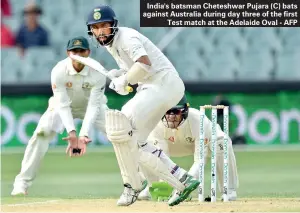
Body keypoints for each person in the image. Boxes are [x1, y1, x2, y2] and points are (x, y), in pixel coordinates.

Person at [85, 5, 199, 206]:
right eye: (95, 27)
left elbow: (145, 64)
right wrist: (121, 76)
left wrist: (125, 80)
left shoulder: (127, 37)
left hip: (163, 84)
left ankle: (133, 185)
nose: (100, 31)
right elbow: (134, 71)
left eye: (104, 25)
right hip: (153, 86)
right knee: (135, 141)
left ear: (113, 25)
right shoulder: (111, 45)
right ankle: (182, 178)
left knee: (119, 125)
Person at [11, 36, 108, 195]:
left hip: (91, 107)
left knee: (119, 133)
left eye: (81, 51)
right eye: (74, 51)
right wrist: (72, 133)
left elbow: (93, 106)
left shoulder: (97, 71)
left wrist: (83, 134)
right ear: (68, 53)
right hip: (62, 106)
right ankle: (21, 183)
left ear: (88, 52)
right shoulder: (58, 70)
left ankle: (137, 183)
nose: (77, 55)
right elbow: (62, 105)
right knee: (41, 134)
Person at [138, 96, 239, 202]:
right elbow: (162, 159)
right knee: (144, 146)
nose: (171, 117)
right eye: (168, 112)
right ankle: (152, 186)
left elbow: (200, 160)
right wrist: (166, 185)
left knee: (222, 142)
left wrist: (185, 185)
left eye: (176, 112)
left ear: (184, 112)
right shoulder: (156, 123)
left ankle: (228, 190)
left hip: (208, 143)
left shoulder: (197, 120)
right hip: (173, 145)